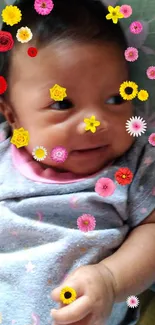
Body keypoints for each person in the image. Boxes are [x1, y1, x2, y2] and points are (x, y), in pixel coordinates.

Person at [0, 0, 154, 324]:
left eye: (115, 98)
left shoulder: (134, 162)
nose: (94, 123)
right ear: (12, 115)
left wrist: (111, 281)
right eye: (63, 104)